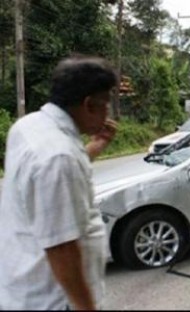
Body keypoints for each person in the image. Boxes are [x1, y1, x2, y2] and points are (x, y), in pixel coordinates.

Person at [0, 56, 118, 309]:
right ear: (88, 105)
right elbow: (62, 249)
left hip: (26, 289)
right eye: (107, 104)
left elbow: (51, 184)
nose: (109, 112)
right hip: (54, 301)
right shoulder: (58, 157)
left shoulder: (28, 126)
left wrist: (96, 147)